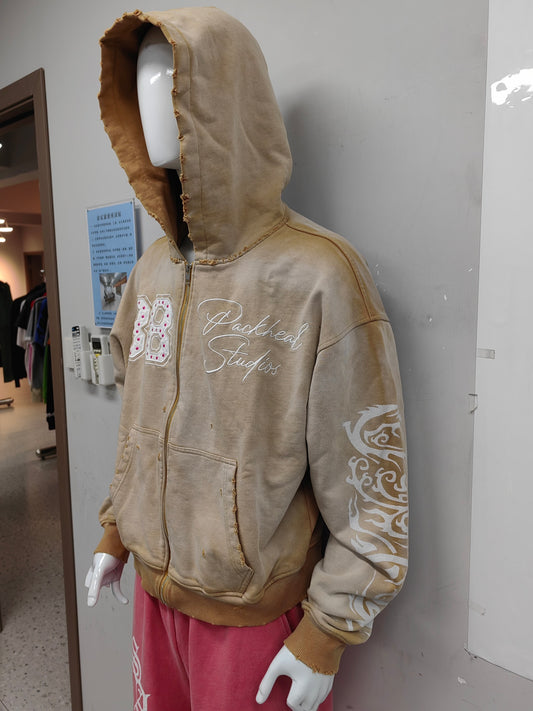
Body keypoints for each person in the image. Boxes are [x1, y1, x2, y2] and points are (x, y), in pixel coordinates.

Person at [86, 8, 408, 711]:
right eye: (141, 83)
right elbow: (138, 425)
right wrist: (117, 530)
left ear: (228, 101)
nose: (153, 102)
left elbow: (369, 479)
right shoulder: (151, 270)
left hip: (253, 623)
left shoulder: (319, 274)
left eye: (173, 82)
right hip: (152, 596)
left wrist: (326, 632)